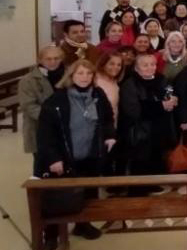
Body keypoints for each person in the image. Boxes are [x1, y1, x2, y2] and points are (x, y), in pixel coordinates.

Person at [36, 59, 116, 241]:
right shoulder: (57, 99)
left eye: (89, 74)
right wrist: (54, 158)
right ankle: (51, 235)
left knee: (88, 194)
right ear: (71, 76)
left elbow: (107, 118)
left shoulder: (98, 93)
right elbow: (45, 134)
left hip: (91, 155)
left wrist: (110, 135)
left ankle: (83, 225)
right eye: (80, 73)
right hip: (65, 157)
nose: (85, 77)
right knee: (58, 199)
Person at [119, 54, 178, 179]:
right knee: (140, 166)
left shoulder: (161, 79)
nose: (150, 67)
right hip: (140, 132)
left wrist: (173, 99)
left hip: (159, 129)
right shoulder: (129, 84)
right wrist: (161, 106)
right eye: (145, 65)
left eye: (153, 64)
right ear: (136, 68)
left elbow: (169, 91)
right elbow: (133, 110)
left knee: (156, 161)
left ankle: (154, 184)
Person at [19, 46, 65, 168]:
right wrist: (54, 118)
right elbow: (29, 106)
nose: (52, 62)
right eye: (48, 59)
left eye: (56, 58)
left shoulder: (67, 76)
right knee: (43, 163)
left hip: (64, 128)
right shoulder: (28, 80)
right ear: (40, 60)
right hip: (39, 128)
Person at [94, 52, 124, 127]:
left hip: (111, 128)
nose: (116, 67)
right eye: (112, 64)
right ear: (103, 64)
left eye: (119, 65)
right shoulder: (94, 81)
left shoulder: (115, 83)